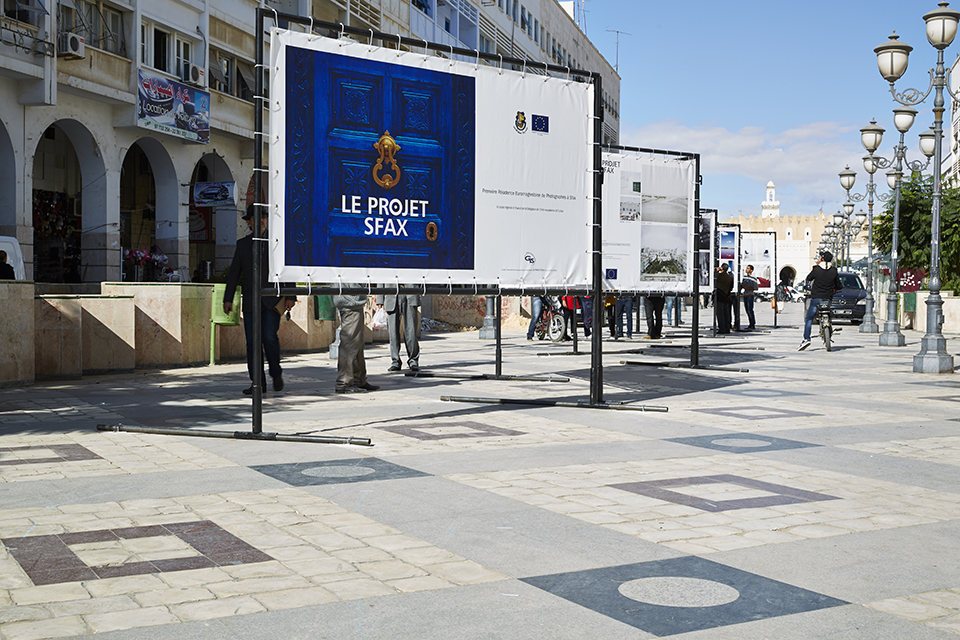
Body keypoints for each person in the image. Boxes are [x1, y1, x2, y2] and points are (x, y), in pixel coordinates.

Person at [223, 205, 296, 395]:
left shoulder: (276, 241)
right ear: (249, 222)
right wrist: (227, 299)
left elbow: (286, 268)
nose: (261, 220)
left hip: (272, 300)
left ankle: (276, 373)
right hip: (251, 302)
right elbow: (234, 273)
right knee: (252, 343)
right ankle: (258, 383)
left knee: (269, 336)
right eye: (256, 218)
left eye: (263, 217)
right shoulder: (242, 245)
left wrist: (291, 295)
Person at [334, 289, 379, 393]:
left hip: (353, 300)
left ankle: (358, 380)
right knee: (349, 343)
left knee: (357, 342)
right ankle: (344, 382)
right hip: (349, 300)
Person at [799, 251, 842, 351]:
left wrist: (817, 266)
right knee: (828, 314)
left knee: (809, 318)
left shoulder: (817, 269)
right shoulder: (834, 271)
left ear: (822, 259)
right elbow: (839, 285)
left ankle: (806, 339)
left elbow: (809, 278)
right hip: (828, 298)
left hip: (816, 298)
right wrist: (833, 290)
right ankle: (829, 330)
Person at [375, 293, 420, 371]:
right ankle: (395, 361)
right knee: (393, 332)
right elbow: (380, 284)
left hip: (410, 294)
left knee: (411, 331)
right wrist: (380, 300)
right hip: (391, 295)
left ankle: (413, 361)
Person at [715, 263, 734, 334]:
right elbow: (731, 288)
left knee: (720, 314)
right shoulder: (730, 277)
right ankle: (727, 328)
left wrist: (716, 271)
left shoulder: (718, 276)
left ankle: (722, 328)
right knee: (727, 314)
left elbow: (711, 278)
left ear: (721, 268)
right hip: (727, 298)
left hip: (719, 297)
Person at [740, 264, 759, 331]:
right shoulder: (744, 277)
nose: (746, 269)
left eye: (748, 268)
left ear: (751, 270)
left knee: (750, 310)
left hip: (750, 295)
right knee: (747, 310)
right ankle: (750, 324)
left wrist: (747, 287)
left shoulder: (753, 278)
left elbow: (756, 288)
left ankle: (752, 324)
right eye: (746, 268)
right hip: (745, 295)